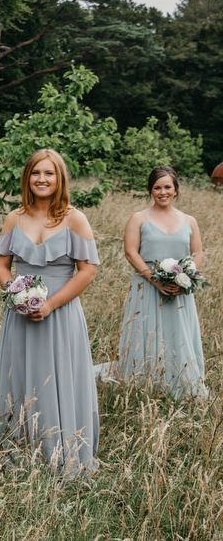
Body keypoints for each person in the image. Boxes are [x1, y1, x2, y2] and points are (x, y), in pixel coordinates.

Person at [0, 149, 100, 475]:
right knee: (19, 373)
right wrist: (15, 293)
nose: (42, 179)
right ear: (27, 178)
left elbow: (88, 270)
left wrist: (49, 304)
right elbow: (1, 262)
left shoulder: (74, 218)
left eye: (49, 174)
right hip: (20, 314)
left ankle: (61, 449)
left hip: (60, 313)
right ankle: (19, 445)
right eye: (36, 173)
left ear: (59, 178)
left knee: (58, 376)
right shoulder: (14, 217)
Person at [96, 166, 207, 399]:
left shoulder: (189, 220)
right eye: (157, 187)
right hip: (146, 287)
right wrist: (154, 279)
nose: (162, 192)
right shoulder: (139, 218)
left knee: (178, 334)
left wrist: (185, 277)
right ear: (150, 190)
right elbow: (130, 252)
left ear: (175, 190)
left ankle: (181, 382)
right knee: (146, 334)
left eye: (167, 187)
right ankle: (143, 384)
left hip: (180, 290)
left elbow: (197, 253)